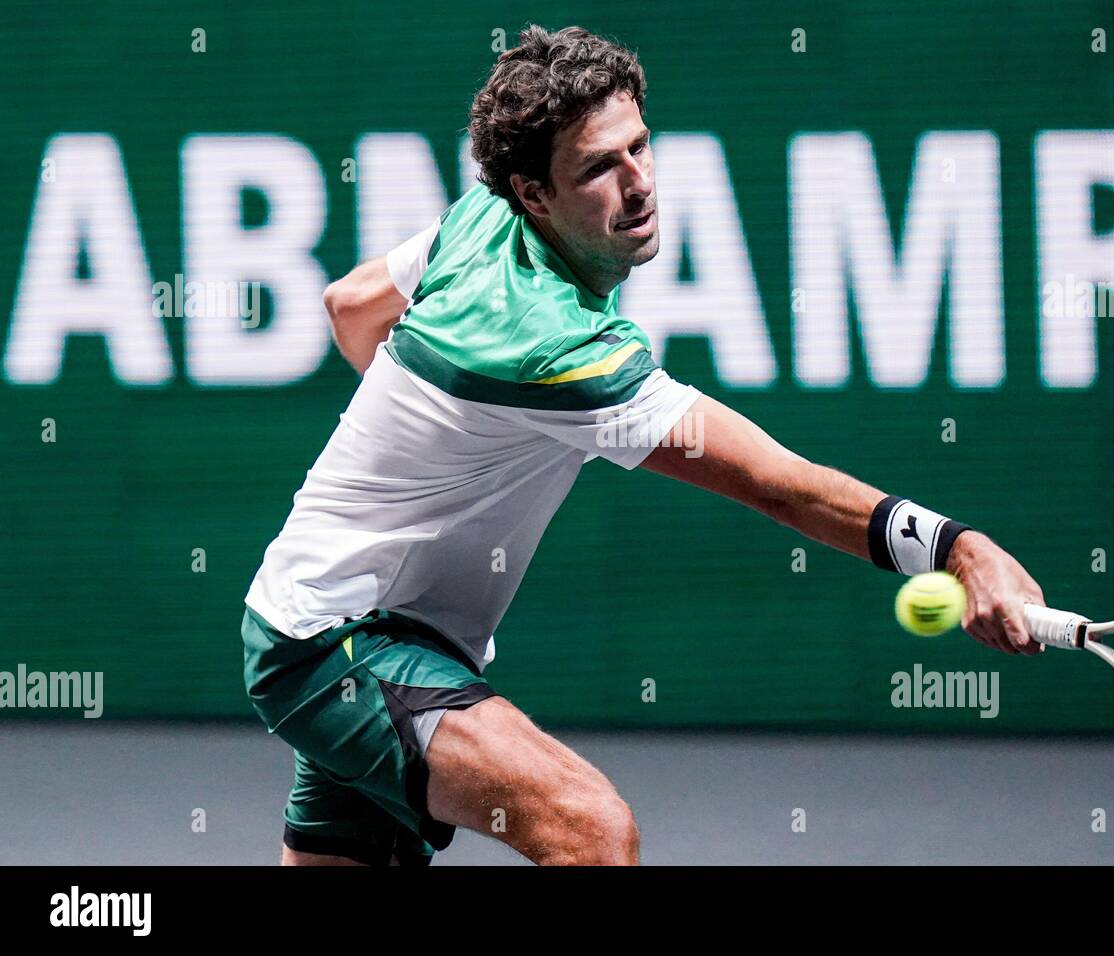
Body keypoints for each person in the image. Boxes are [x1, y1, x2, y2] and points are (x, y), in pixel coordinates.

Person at [241, 24, 1045, 866]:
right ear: (535, 194)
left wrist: (426, 427)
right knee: (590, 830)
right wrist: (957, 550)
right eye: (598, 167)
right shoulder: (555, 352)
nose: (637, 184)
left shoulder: (483, 216)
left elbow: (350, 303)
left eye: (640, 147)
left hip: (331, 619)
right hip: (338, 643)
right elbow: (783, 488)